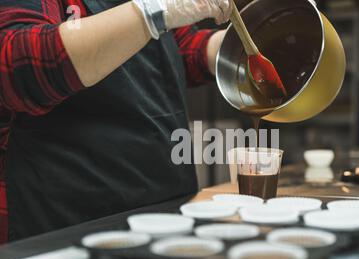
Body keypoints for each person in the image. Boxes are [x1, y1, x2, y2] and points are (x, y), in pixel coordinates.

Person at [0, 0, 232, 242]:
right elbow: (17, 64)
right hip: (63, 224)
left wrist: (227, 49)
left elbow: (168, 49)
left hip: (160, 210)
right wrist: (150, 13)